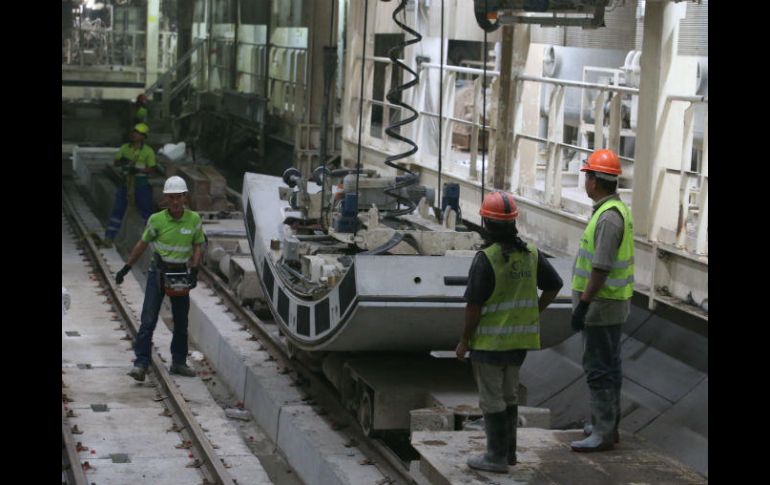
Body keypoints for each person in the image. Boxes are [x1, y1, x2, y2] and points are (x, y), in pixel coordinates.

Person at [456, 191, 563, 473]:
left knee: (491, 399)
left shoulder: (486, 259)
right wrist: (534, 312)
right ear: (514, 223)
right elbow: (554, 284)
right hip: (519, 343)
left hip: (490, 344)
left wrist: (464, 340)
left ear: (485, 223)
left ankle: (495, 457)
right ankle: (509, 453)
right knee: (509, 396)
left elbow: (473, 307)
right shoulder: (530, 254)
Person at [569, 149, 634, 453]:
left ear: (595, 181)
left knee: (599, 368)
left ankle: (603, 433)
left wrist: (583, 304)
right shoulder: (615, 210)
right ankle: (606, 426)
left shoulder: (608, 219)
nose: (586, 181)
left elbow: (601, 267)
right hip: (611, 305)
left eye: (587, 176)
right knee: (610, 366)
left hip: (602, 306)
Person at [115, 176, 204, 381]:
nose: (174, 202)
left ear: (184, 198)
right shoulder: (157, 220)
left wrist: (195, 269)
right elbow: (142, 244)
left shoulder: (194, 220)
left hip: (180, 274)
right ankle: (141, 363)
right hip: (158, 273)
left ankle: (179, 362)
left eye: (178, 197)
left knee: (181, 321)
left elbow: (198, 245)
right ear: (166, 198)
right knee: (148, 319)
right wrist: (126, 268)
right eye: (171, 198)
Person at [105, 123, 157, 241]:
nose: (134, 134)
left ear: (143, 137)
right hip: (125, 183)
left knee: (145, 210)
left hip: (141, 184)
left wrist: (139, 170)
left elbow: (152, 168)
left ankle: (151, 237)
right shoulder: (125, 148)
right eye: (134, 132)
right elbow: (116, 162)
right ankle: (109, 236)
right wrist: (121, 161)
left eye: (138, 133)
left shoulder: (148, 151)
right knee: (118, 209)